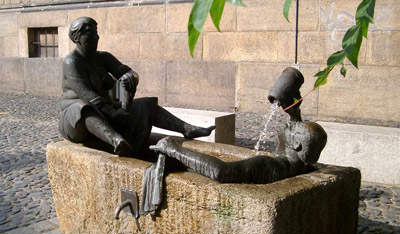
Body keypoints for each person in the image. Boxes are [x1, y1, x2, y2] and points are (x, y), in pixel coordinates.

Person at [59, 16, 214, 157]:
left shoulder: (103, 57)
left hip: (108, 112)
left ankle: (186, 128)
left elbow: (127, 73)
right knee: (83, 107)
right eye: (89, 33)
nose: (95, 37)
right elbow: (88, 96)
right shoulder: (72, 62)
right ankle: (116, 141)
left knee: (146, 105)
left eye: (95, 32)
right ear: (75, 37)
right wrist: (115, 114)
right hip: (77, 122)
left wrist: (129, 79)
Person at [150, 121, 327, 184]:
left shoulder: (268, 164)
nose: (288, 123)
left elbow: (221, 172)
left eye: (293, 126)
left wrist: (175, 150)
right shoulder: (303, 166)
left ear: (295, 144)